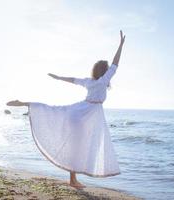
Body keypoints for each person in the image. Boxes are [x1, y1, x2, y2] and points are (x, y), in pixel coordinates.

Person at [7, 30, 126, 189]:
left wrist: (57, 77)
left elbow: (72, 80)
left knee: (55, 112)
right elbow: (115, 63)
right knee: (78, 147)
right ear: (105, 72)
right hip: (86, 115)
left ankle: (26, 103)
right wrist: (121, 45)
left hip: (79, 112)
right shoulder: (104, 80)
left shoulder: (88, 81)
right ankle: (72, 180)